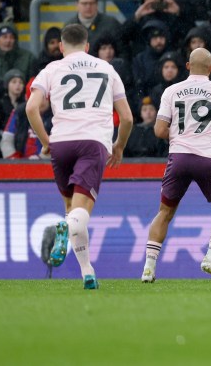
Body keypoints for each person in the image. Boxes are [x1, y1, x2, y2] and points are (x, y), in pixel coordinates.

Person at [25, 23, 134, 289]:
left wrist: (46, 141)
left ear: (61, 47)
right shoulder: (106, 68)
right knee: (79, 213)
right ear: (88, 46)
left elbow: (30, 108)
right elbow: (128, 118)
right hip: (92, 141)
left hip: (61, 142)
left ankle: (87, 272)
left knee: (73, 210)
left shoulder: (51, 68)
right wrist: (119, 145)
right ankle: (63, 227)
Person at [141, 48, 211, 283]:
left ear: (188, 66)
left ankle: (149, 267)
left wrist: (183, 136)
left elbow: (159, 130)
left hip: (178, 158)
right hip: (208, 160)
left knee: (165, 212)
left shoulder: (172, 91)